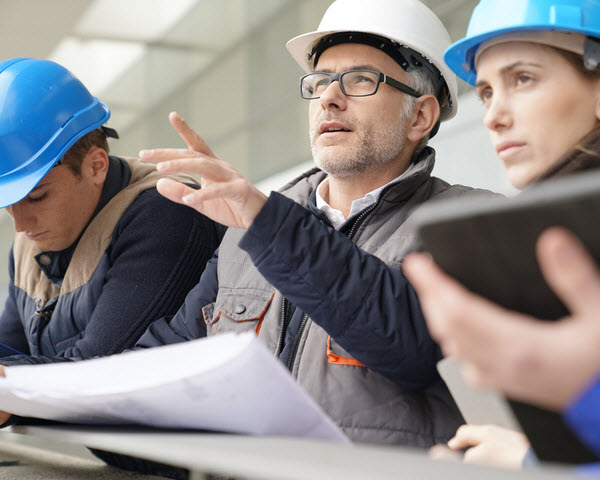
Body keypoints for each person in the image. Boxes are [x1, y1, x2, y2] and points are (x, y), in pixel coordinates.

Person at [134, 0, 494, 448]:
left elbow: (413, 346)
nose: (329, 97)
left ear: (420, 116)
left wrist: (267, 223)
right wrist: (28, 386)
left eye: (360, 80)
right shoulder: (244, 235)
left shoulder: (472, 224)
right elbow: (165, 357)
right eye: (320, 81)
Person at [402, 0, 600, 468]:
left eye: (523, 79)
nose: (492, 116)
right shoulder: (560, 229)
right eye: (488, 91)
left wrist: (531, 460)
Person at [0, 58, 221, 365]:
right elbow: (11, 348)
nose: (20, 225)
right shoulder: (29, 242)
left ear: (95, 166)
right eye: (8, 203)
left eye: (37, 197)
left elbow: (99, 369)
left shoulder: (166, 213)